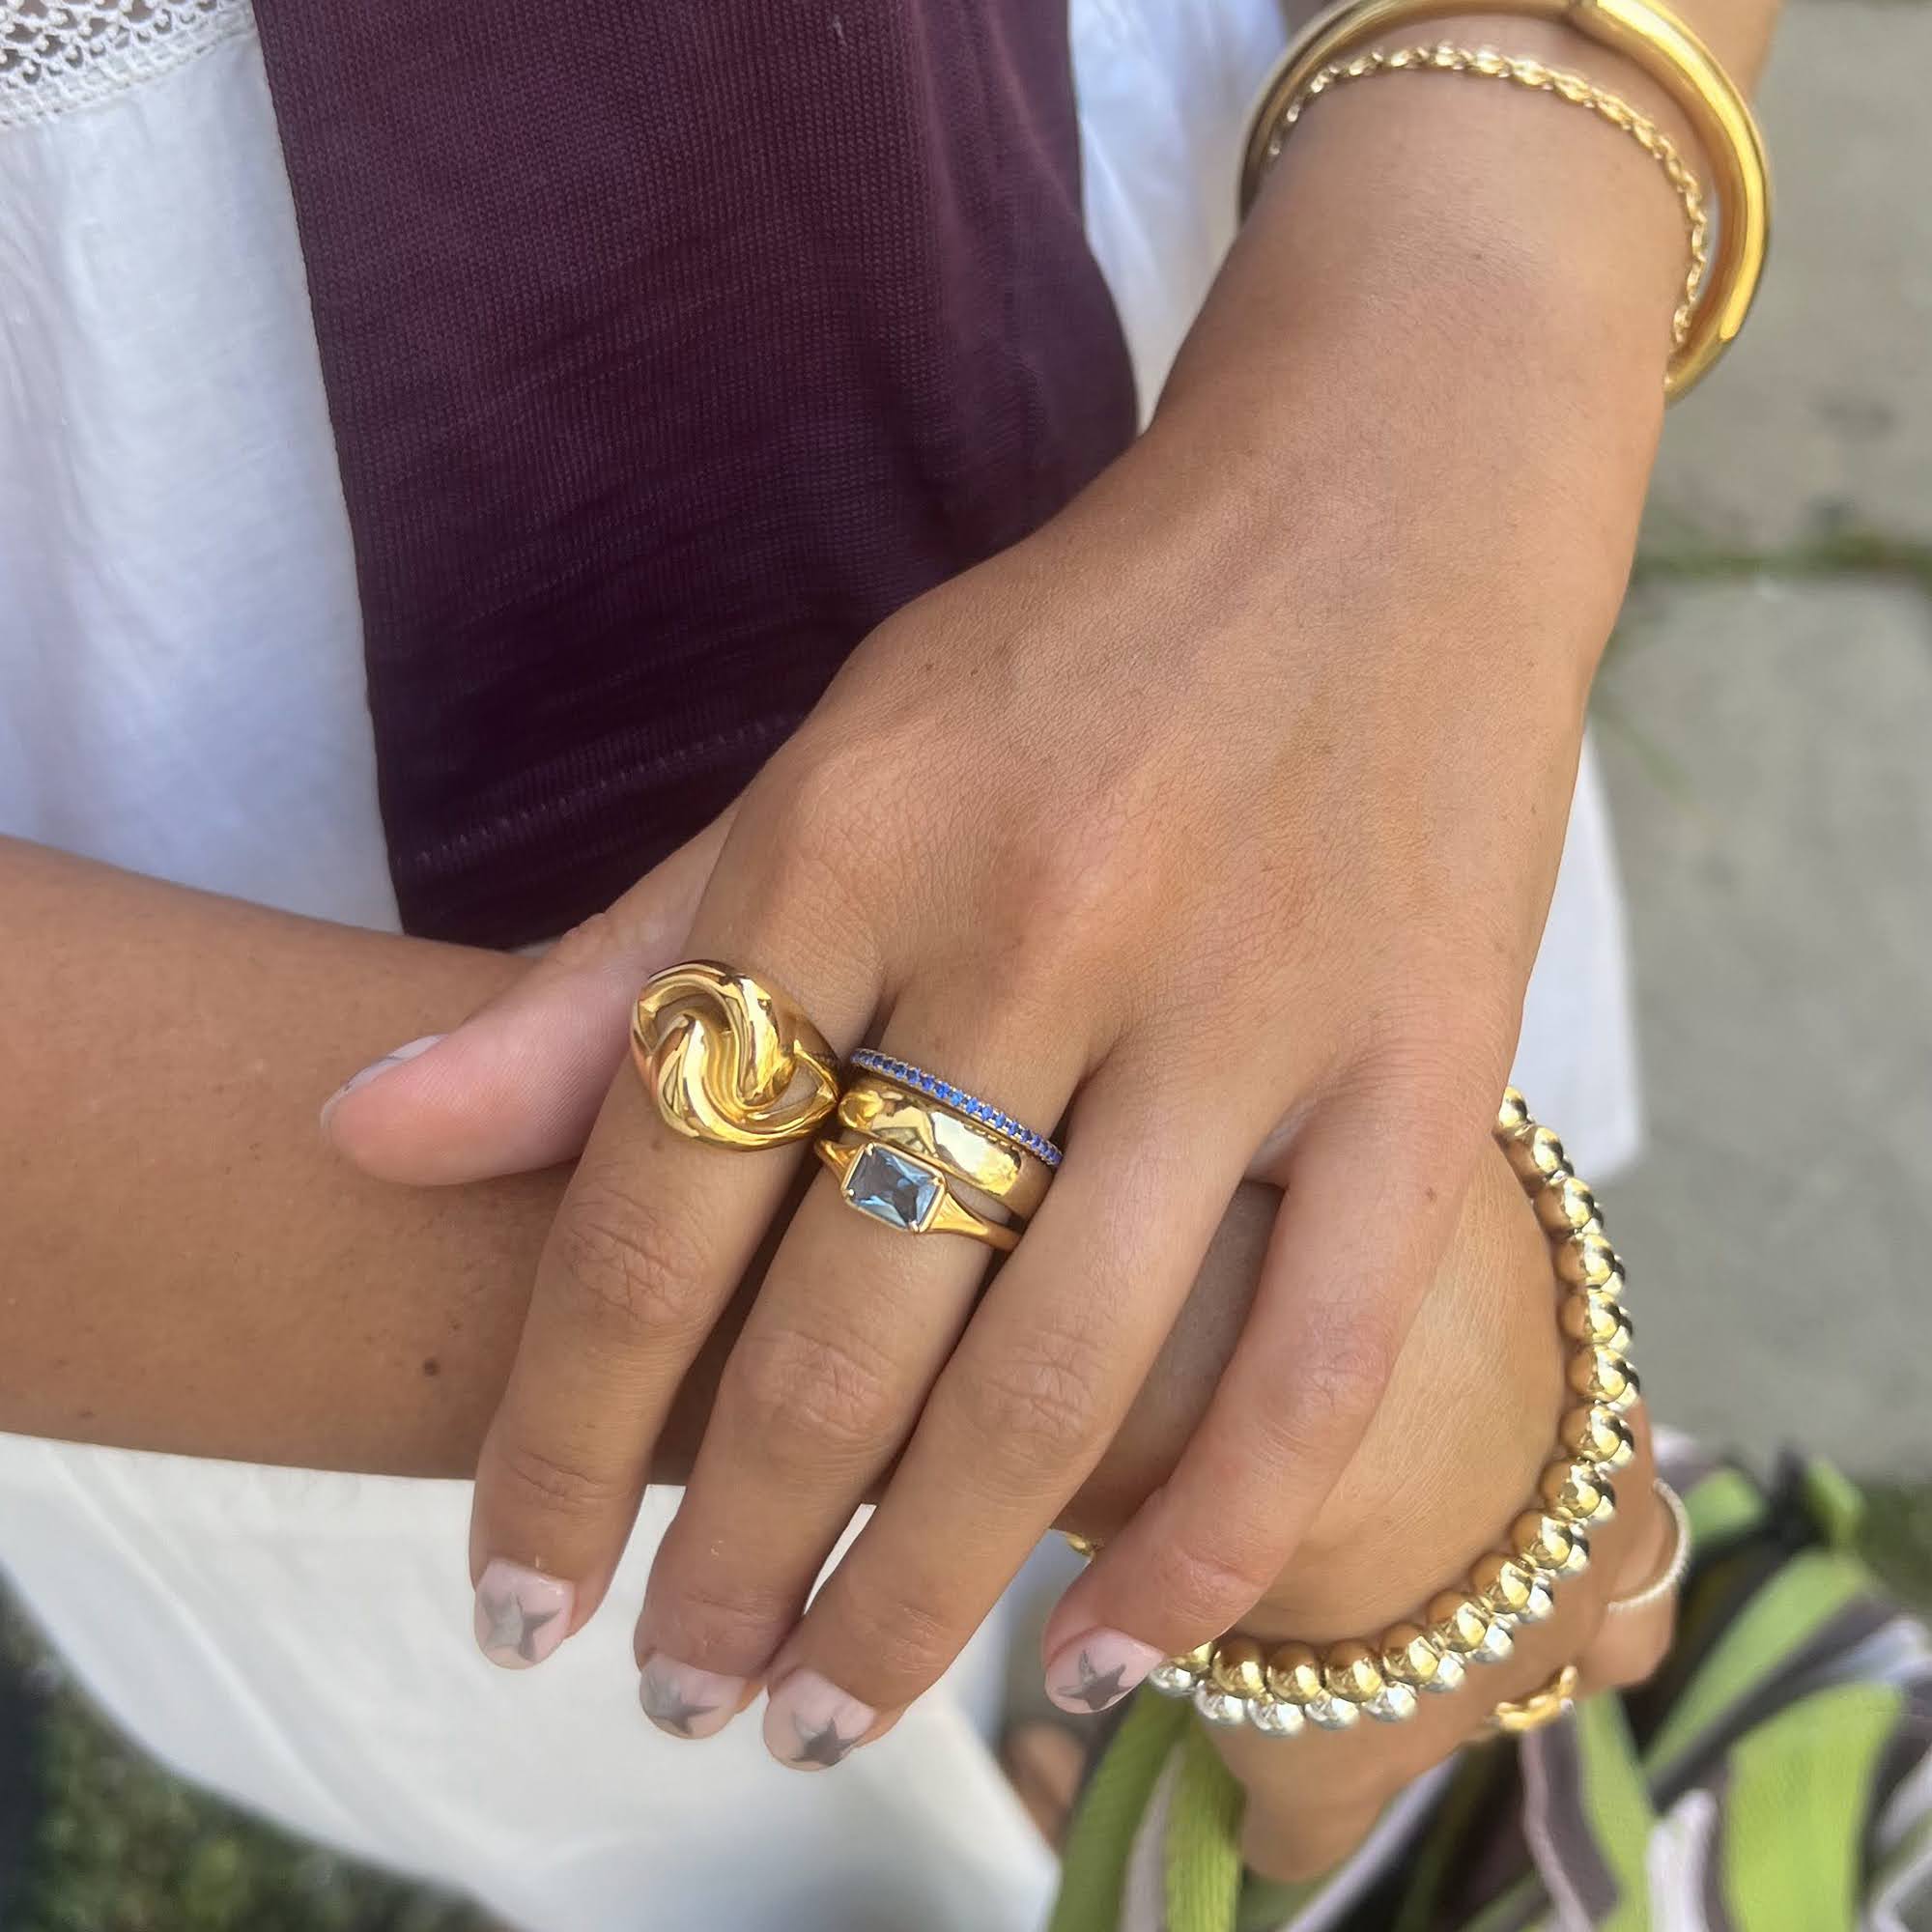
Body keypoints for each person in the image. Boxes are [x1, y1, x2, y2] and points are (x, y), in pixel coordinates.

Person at [1, 0, 1775, 1922]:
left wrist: (1460, 345)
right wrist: (1179, 1357)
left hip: (1209, 376)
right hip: (201, 1075)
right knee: (718, 1740)